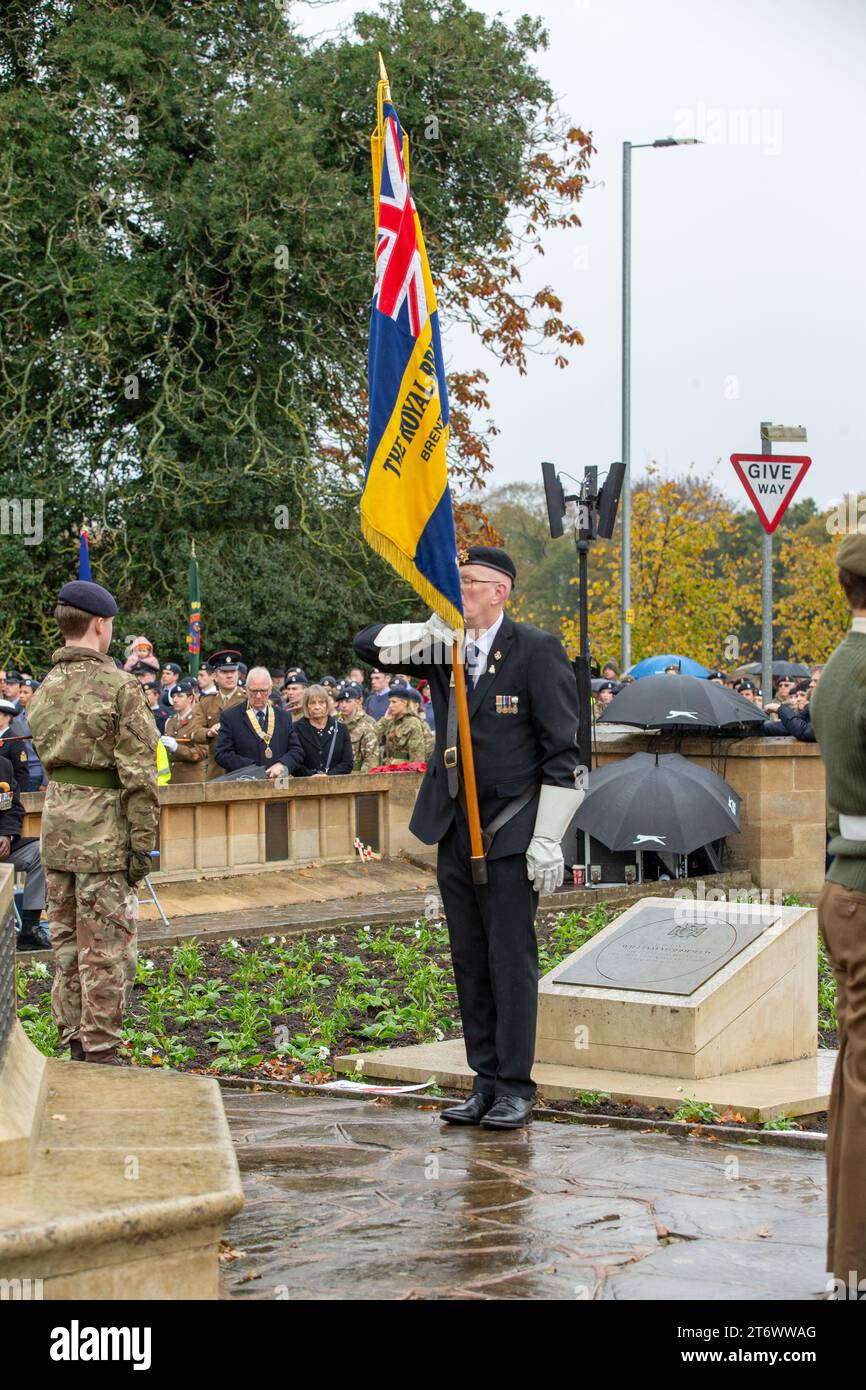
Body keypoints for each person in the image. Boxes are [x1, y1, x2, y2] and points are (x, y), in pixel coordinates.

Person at [355, 545, 582, 1130]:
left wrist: (549, 836)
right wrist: (426, 628)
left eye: (470, 583)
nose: (460, 593)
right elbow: (365, 644)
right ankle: (483, 1079)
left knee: (510, 958)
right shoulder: (444, 648)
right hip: (455, 824)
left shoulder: (536, 651)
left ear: (500, 590)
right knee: (468, 957)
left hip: (511, 828)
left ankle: (514, 1085)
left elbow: (566, 755)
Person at [26, 579, 159, 1064]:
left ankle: (73, 1041)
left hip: (57, 829)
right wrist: (144, 845)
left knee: (64, 944)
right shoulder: (120, 687)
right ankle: (101, 1049)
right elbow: (140, 775)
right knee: (105, 947)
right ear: (101, 625)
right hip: (104, 834)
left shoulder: (45, 687)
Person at [809, 533, 866, 1298]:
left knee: (855, 1077)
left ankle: (851, 1259)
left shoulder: (837, 668)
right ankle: (855, 1258)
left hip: (849, 884)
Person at [214, 666, 303, 779]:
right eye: (254, 691)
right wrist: (254, 769)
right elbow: (222, 754)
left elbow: (296, 750)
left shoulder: (283, 717)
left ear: (270, 689)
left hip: (278, 783)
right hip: (244, 783)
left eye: (263, 691)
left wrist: (283, 764)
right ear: (246, 689)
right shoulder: (230, 716)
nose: (258, 696)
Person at [0, 749, 50, 949]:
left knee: (41, 851)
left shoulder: (3, 766)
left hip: (3, 845)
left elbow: (13, 808)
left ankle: (30, 928)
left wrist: (6, 835)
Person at [194, 650, 247, 778]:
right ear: (215, 676)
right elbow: (195, 731)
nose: (229, 676)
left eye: (233, 671)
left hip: (242, 768)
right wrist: (209, 732)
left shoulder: (247, 700)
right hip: (215, 769)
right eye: (224, 672)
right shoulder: (206, 701)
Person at [294, 684, 353, 777]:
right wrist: (312, 775)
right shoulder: (296, 729)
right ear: (306, 705)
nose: (317, 707)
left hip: (335, 785)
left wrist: (328, 775)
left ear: (327, 704)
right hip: (305, 786)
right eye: (312, 703)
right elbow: (294, 762)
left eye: (321, 702)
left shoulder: (341, 729)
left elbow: (347, 763)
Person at [160, 678, 208, 783]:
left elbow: (201, 753)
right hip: (172, 779)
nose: (175, 700)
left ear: (190, 698)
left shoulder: (199, 719)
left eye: (180, 696)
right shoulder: (170, 722)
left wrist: (177, 748)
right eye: (173, 696)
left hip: (192, 779)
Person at [378, 682, 431, 764]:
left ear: (404, 703)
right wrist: (384, 720)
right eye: (390, 702)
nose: (390, 706)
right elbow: (373, 739)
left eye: (394, 702)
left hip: (403, 770)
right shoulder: (390, 721)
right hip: (387, 767)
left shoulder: (413, 722)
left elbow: (417, 756)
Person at [335, 682, 380, 774]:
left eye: (348, 701)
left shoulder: (367, 724)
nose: (343, 705)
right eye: (341, 702)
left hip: (357, 774)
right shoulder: (335, 724)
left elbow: (371, 759)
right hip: (337, 774)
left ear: (357, 702)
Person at [0, 698, 30, 793]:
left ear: (7, 717)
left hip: (8, 790)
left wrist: (20, 795)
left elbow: (21, 773)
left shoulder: (15, 740)